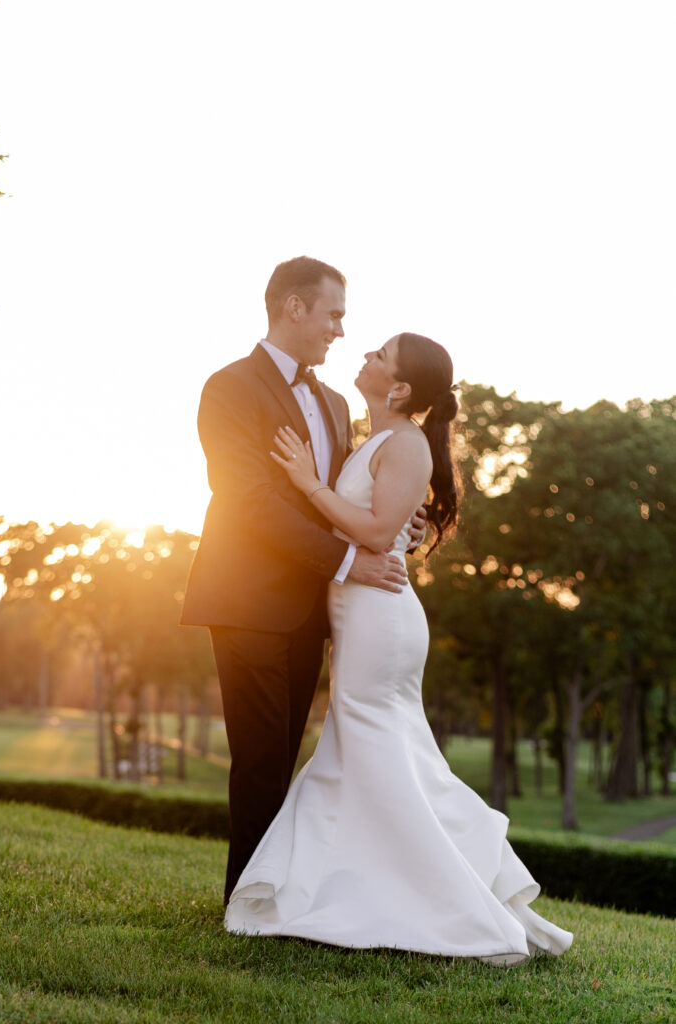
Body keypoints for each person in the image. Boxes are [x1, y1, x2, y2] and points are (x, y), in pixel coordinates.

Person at [223, 332, 573, 964]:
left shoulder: (406, 441)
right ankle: (358, 886)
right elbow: (389, 523)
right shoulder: (378, 437)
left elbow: (378, 531)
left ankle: (447, 899)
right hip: (357, 613)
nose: (364, 355)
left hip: (380, 618)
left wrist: (307, 482)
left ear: (402, 387)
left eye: (379, 355)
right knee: (373, 750)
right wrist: (391, 523)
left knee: (374, 744)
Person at [181, 257, 426, 903]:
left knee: (284, 760)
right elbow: (249, 501)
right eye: (333, 315)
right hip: (248, 603)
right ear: (294, 307)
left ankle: (273, 893)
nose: (340, 331)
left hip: (312, 610)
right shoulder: (228, 387)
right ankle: (246, 901)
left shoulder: (335, 401)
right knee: (260, 762)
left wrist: (399, 522)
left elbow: (344, 497)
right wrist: (349, 563)